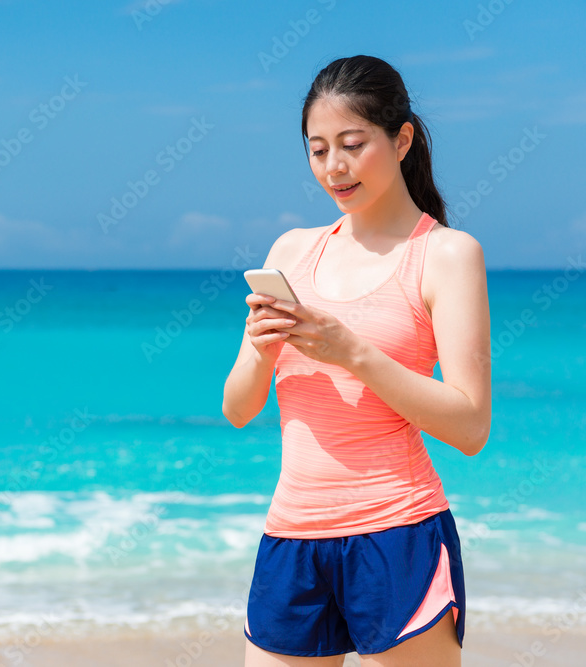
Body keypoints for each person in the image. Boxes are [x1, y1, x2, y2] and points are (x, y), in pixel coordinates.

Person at [221, 55, 491, 667]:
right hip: (291, 537)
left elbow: (470, 426)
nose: (333, 168)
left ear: (401, 140)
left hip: (399, 534)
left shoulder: (446, 256)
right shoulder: (292, 251)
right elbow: (238, 410)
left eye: (352, 144)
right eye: (318, 150)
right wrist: (262, 351)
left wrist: (353, 352)